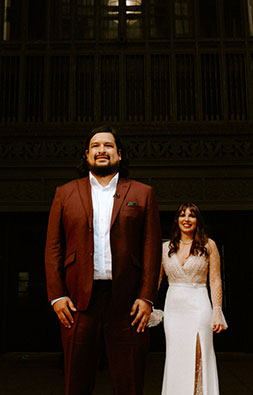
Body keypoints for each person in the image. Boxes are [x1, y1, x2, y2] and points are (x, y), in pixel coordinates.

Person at [45, 125, 162, 395]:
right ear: (87, 154)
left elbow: (151, 248)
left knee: (129, 381)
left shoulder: (142, 193)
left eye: (108, 146)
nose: (102, 151)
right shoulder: (65, 193)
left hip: (128, 303)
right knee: (77, 381)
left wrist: (147, 297)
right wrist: (57, 296)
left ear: (119, 154)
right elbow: (53, 247)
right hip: (77, 302)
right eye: (96, 146)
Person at [158, 202, 227, 395]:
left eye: (191, 215)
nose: (186, 219)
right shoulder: (165, 248)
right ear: (176, 220)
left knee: (199, 354)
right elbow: (156, 279)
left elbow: (215, 279)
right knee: (176, 356)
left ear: (198, 221)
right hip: (174, 308)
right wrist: (146, 303)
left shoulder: (208, 245)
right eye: (182, 215)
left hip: (199, 305)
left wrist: (217, 310)